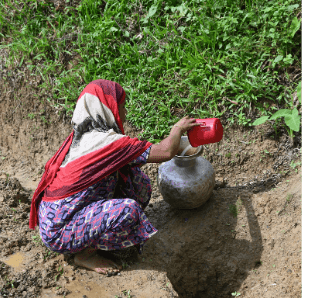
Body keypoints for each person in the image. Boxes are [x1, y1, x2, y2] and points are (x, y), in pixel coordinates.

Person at [29, 79, 202, 275]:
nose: (125, 113)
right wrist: (177, 130)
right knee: (129, 210)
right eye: (122, 106)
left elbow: (144, 154)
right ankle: (85, 254)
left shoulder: (83, 138)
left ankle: (97, 230)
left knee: (137, 181)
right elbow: (164, 152)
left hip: (58, 218)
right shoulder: (107, 143)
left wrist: (180, 143)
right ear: (109, 108)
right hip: (60, 232)